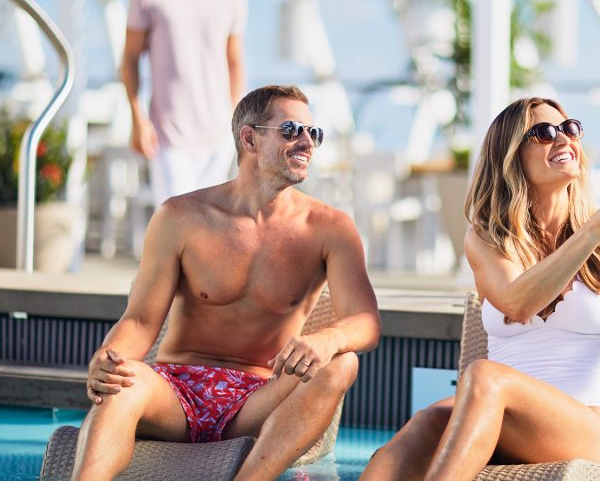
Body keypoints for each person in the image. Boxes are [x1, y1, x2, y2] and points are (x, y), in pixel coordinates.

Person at [72, 85, 381, 481]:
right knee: (122, 386)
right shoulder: (180, 217)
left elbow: (366, 322)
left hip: (257, 399)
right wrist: (109, 357)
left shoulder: (329, 229)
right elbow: (140, 320)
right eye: (290, 130)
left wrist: (328, 339)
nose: (306, 141)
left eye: (313, 133)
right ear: (249, 138)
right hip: (174, 390)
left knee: (343, 363)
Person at [362, 97, 600, 480]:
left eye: (570, 128)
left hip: (582, 426)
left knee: (484, 376)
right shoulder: (489, 239)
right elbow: (518, 303)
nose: (563, 139)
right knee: (425, 423)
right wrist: (594, 231)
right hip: (500, 414)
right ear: (511, 156)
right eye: (543, 133)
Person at [122, 0, 247, 205]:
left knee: (211, 228)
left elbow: (234, 63)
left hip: (218, 135)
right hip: (168, 135)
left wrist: (233, 118)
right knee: (175, 223)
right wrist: (137, 117)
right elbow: (130, 58)